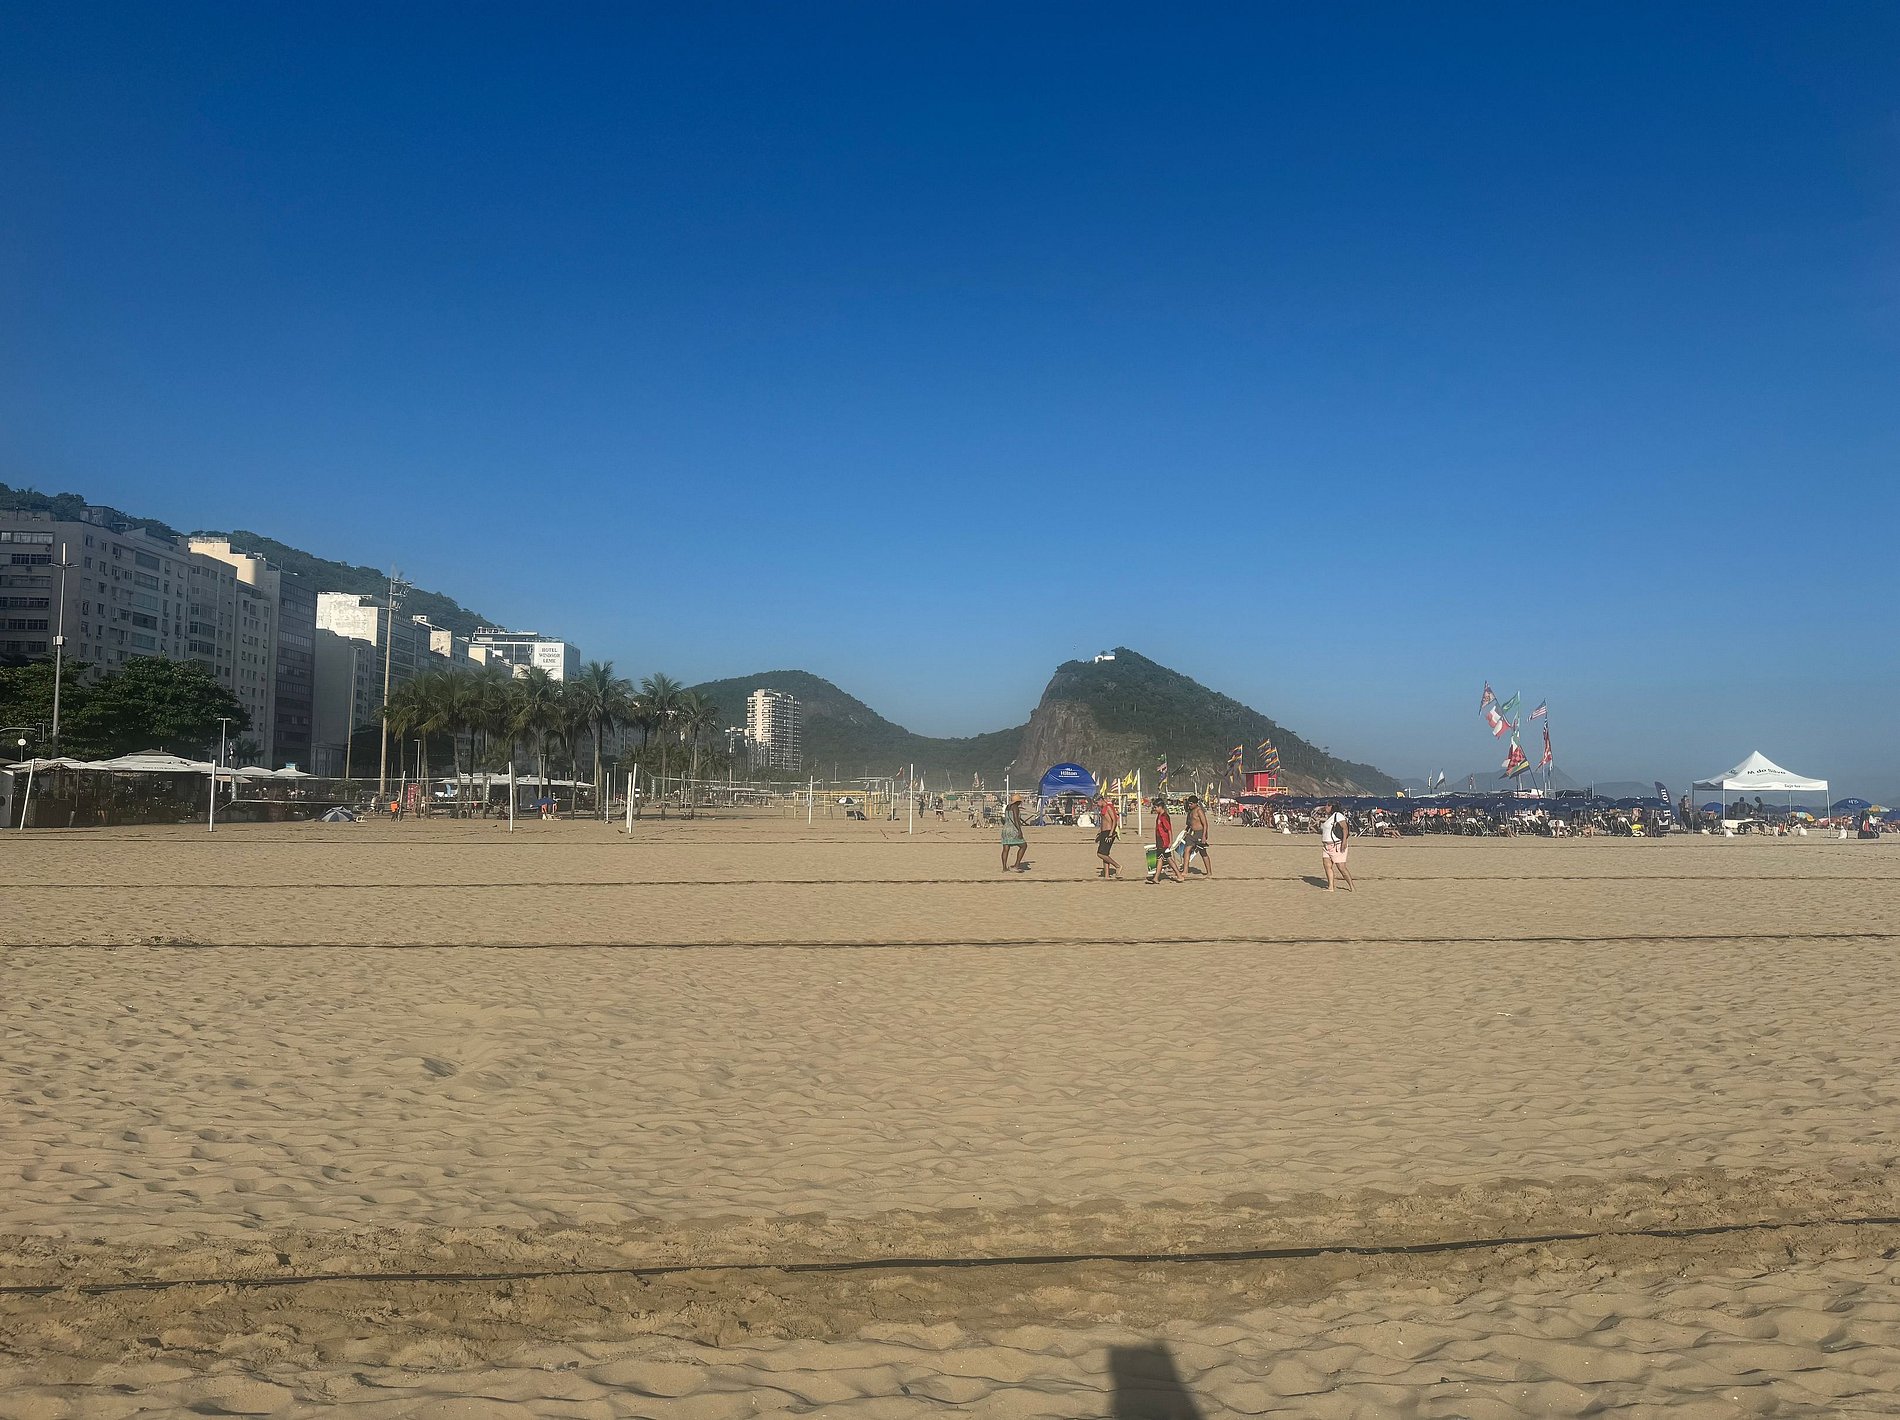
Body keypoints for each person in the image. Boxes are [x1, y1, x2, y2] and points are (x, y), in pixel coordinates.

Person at [1320, 801, 1353, 891]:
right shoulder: (1330, 817)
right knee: (1327, 866)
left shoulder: (1338, 815)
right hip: (1326, 846)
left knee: (1341, 868)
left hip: (1336, 845)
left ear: (1332, 806)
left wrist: (1344, 841)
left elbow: (1345, 828)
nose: (1326, 807)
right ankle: (1331, 887)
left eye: (1328, 805)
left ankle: (1352, 887)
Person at [1149, 798, 1183, 883]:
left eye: (1156, 807)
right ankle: (1156, 878)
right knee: (1161, 858)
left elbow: (1169, 830)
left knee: (1166, 858)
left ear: (1160, 807)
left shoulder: (1164, 817)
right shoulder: (1159, 815)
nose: (1155, 809)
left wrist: (1170, 842)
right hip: (1160, 841)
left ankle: (1179, 876)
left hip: (1164, 841)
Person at [1183, 795, 1212, 877]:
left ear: (1196, 803)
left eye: (1191, 804)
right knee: (1186, 850)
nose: (1190, 805)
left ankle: (1209, 872)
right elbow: (1190, 823)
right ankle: (1185, 871)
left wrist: (1204, 836)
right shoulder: (1190, 811)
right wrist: (1186, 830)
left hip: (1200, 833)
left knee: (1203, 852)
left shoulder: (1199, 811)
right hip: (1191, 833)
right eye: (1189, 803)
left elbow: (1205, 824)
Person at [1095, 793, 1122, 879]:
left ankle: (1117, 866)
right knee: (1105, 854)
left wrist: (1111, 834)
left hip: (1109, 832)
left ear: (1100, 800)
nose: (1096, 805)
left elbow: (1114, 820)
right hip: (1104, 832)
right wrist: (1099, 833)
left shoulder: (1108, 807)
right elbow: (1103, 821)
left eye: (1097, 802)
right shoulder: (1103, 808)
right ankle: (1107, 875)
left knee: (1100, 853)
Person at [1000, 793, 1029, 872]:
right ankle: (1016, 865)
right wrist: (1019, 830)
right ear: (1018, 801)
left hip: (1005, 829)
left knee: (1005, 849)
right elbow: (1016, 819)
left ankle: (1004, 868)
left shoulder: (1008, 807)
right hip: (1013, 829)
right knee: (1023, 846)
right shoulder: (1015, 807)